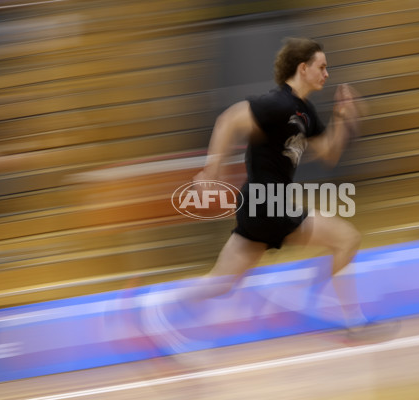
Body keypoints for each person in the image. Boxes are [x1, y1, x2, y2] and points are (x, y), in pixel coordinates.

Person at [145, 38, 367, 352]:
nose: (327, 74)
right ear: (302, 69)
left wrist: (343, 119)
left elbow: (329, 153)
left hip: (258, 206)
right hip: (268, 204)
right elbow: (229, 119)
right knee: (346, 238)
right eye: (321, 67)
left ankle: (156, 306)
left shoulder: (304, 112)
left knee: (221, 282)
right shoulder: (279, 104)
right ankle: (347, 320)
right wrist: (212, 171)